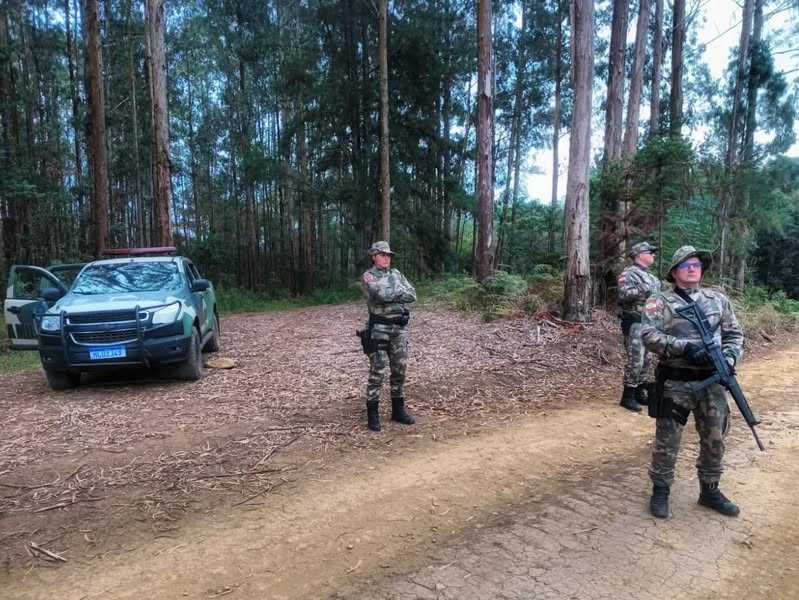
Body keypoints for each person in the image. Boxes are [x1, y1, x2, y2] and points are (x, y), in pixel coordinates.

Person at [641, 245, 744, 519]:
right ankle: (661, 490)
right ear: (674, 272)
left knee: (715, 437)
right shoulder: (659, 301)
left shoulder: (717, 300)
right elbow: (648, 335)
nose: (692, 267)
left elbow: (735, 335)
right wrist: (684, 348)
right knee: (668, 439)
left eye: (696, 263)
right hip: (676, 381)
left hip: (712, 382)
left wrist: (730, 359)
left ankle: (710, 490)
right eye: (686, 264)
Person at [361, 241, 417, 432]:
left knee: (400, 369)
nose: (387, 258)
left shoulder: (396, 274)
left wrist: (395, 293)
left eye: (389, 255)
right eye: (383, 254)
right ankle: (373, 414)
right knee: (378, 370)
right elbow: (380, 295)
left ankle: (398, 410)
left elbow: (413, 294)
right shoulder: (368, 276)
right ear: (374, 256)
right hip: (378, 328)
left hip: (398, 329)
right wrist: (399, 293)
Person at [617, 241, 661, 412]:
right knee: (636, 359)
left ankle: (640, 392)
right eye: (650, 252)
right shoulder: (629, 274)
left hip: (650, 322)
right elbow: (623, 294)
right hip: (634, 320)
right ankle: (627, 396)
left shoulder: (651, 276)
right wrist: (643, 290)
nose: (653, 255)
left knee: (647, 359)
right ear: (639, 254)